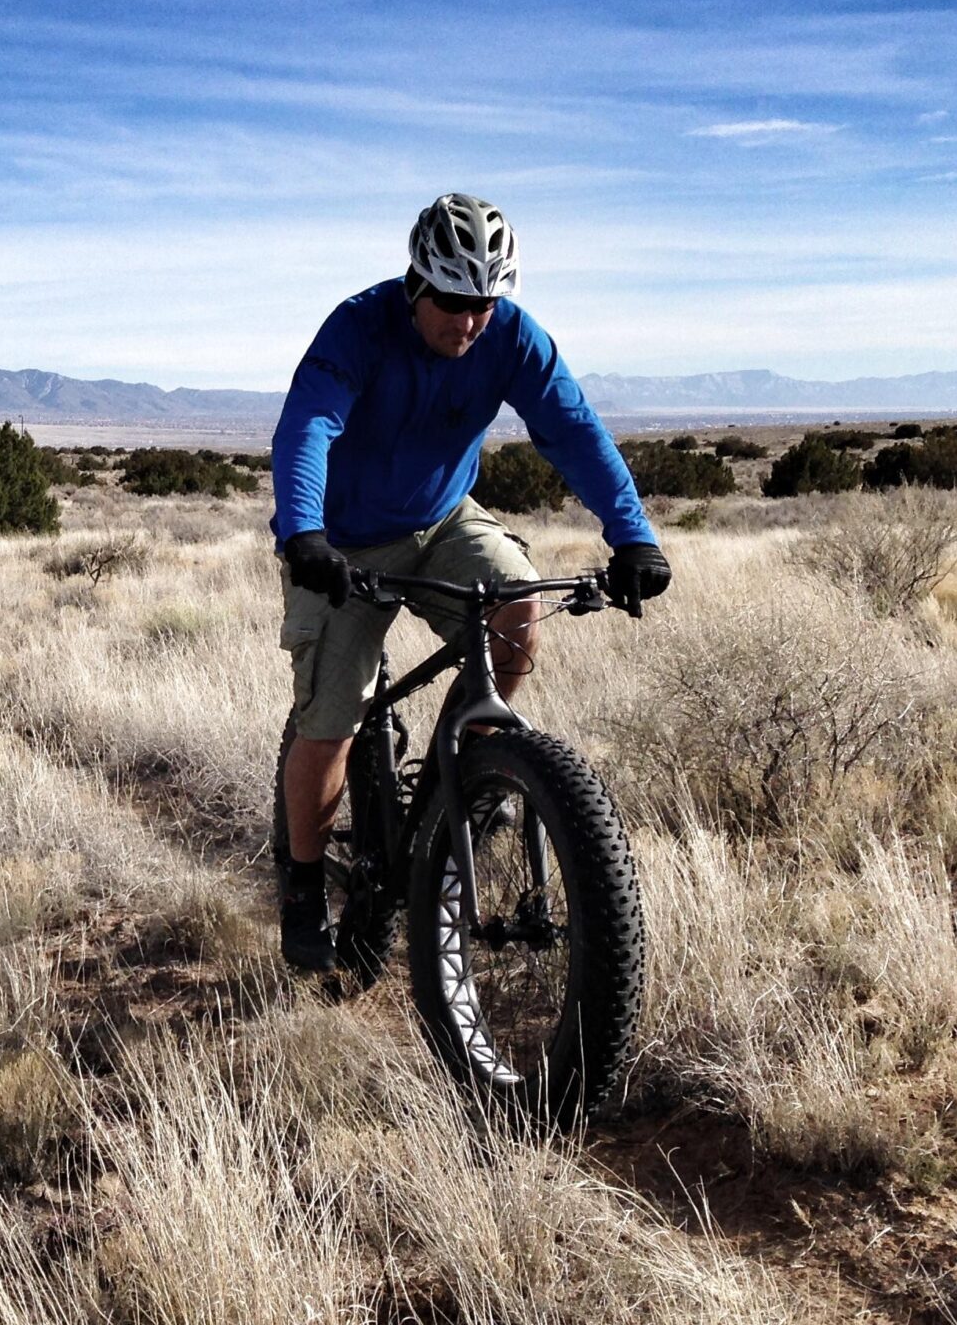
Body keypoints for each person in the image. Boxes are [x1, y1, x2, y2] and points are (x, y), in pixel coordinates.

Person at [271, 193, 669, 972]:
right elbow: (308, 424)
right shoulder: (359, 327)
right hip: (345, 539)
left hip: (446, 518)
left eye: (485, 303)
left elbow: (573, 429)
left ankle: (464, 782)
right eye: (454, 302)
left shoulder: (510, 337)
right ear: (418, 285)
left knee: (517, 606)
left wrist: (634, 537)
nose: (469, 322)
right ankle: (303, 883)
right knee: (333, 717)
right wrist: (303, 533)